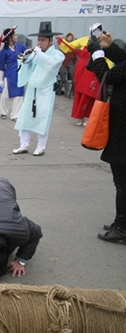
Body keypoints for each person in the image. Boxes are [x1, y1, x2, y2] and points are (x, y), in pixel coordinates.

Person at [87, 30, 126, 242]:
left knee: (122, 182)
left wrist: (97, 53)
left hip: (123, 133)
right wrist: (109, 47)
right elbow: (123, 61)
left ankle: (121, 227)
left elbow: (107, 76)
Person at [12, 22, 64, 156]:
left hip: (45, 89)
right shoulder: (37, 53)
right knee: (25, 116)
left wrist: (38, 53)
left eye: (43, 40)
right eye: (39, 40)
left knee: (42, 117)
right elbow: (27, 66)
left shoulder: (57, 55)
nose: (40, 42)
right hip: (32, 88)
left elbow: (50, 64)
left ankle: (41, 146)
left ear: (50, 41)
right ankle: (24, 144)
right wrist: (25, 57)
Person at [57, 33, 103, 126]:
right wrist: (60, 40)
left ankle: (88, 117)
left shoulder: (102, 43)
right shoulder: (84, 39)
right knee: (80, 93)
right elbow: (71, 46)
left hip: (93, 69)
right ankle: (80, 116)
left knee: (90, 93)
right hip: (81, 69)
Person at [0, 26, 27, 121]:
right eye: (15, 35)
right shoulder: (4, 52)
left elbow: (28, 51)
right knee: (5, 95)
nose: (16, 36)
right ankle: (3, 112)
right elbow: (0, 66)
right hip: (9, 75)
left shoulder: (20, 47)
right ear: (10, 37)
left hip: (19, 73)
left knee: (19, 94)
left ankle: (16, 114)